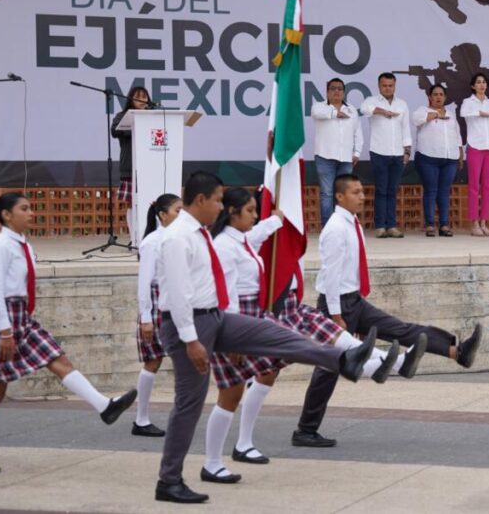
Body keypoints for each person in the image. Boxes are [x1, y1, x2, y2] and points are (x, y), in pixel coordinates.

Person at [154, 171, 377, 505]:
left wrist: (275, 217)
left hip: (217, 316)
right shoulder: (177, 238)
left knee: (278, 334)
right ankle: (169, 480)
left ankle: (344, 359)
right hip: (191, 327)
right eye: (216, 200)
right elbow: (178, 293)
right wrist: (191, 340)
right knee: (190, 403)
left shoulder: (200, 233)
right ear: (200, 200)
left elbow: (231, 262)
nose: (220, 206)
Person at [200, 188, 422, 479]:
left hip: (257, 315)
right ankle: (212, 463)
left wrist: (274, 221)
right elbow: (224, 295)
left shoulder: (239, 240)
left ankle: (362, 362)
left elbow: (255, 238)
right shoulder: (224, 246)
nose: (256, 216)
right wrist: (231, 338)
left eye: (257, 210)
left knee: (271, 368)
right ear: (233, 212)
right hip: (237, 321)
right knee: (230, 394)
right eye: (251, 211)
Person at [293, 174, 483, 448]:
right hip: (337, 305)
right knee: (327, 368)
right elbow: (330, 275)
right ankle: (305, 430)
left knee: (402, 330)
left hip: (354, 301)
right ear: (339, 196)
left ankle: (456, 351)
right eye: (356, 192)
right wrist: (336, 316)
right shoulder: (335, 228)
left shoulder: (351, 223)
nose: (362, 196)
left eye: (362, 191)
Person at [0, 193, 137, 474]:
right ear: (6, 215)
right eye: (25, 208)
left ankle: (105, 406)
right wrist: (5, 332)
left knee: (58, 359)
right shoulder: (0, 246)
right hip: (4, 320)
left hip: (22, 317)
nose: (31, 213)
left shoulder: (23, 246)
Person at [131, 193, 183, 438]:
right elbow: (144, 283)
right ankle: (141, 419)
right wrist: (146, 317)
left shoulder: (179, 238)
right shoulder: (152, 242)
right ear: (162, 215)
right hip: (155, 301)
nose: (181, 216)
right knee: (153, 361)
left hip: (175, 300)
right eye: (176, 211)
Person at [360, 73, 412, 238]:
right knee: (381, 190)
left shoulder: (402, 104)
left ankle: (392, 225)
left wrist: (407, 151)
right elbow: (363, 109)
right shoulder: (371, 101)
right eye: (384, 85)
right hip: (379, 152)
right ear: (379, 85)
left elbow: (405, 129)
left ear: (395, 85)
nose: (387, 88)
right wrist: (383, 111)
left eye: (390, 85)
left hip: (397, 153)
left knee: (392, 190)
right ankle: (380, 226)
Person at [412, 84, 463, 237]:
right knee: (431, 190)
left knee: (444, 192)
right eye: (435, 94)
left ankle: (444, 225)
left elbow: (457, 135)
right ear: (430, 97)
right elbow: (416, 121)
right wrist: (435, 115)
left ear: (445, 97)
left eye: (441, 94)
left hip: (449, 158)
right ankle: (429, 225)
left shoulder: (451, 114)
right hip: (428, 157)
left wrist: (460, 153)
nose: (438, 97)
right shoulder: (423, 111)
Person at [311, 77, 362, 228]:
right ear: (327, 92)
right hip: (324, 156)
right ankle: (328, 227)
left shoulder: (351, 109)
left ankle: (343, 226)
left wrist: (357, 152)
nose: (336, 91)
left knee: (345, 193)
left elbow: (357, 133)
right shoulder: (319, 107)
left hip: (346, 158)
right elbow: (316, 114)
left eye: (340, 89)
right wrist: (335, 114)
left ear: (344, 92)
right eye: (333, 88)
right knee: (327, 194)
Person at [460, 72, 489, 236]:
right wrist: (479, 113)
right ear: (473, 86)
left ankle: (484, 222)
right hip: (475, 146)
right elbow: (463, 114)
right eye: (478, 82)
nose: (482, 85)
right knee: (474, 185)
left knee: (488, 186)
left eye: (484, 82)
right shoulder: (468, 102)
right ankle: (474, 222)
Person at [111, 85, 153, 237]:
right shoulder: (123, 115)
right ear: (130, 99)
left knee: (150, 201)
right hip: (131, 166)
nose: (142, 100)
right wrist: (138, 127)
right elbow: (115, 131)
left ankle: (147, 234)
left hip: (151, 166)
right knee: (132, 203)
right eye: (138, 97)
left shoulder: (154, 116)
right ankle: (134, 237)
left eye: (144, 97)